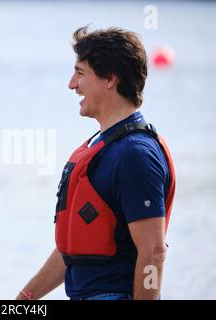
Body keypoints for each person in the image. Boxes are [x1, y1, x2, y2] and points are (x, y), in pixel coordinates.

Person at [16, 26, 176, 301]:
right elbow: (75, 252)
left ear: (110, 79)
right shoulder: (102, 146)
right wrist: (24, 299)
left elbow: (153, 252)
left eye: (80, 73)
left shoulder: (135, 155)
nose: (71, 84)